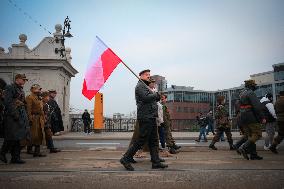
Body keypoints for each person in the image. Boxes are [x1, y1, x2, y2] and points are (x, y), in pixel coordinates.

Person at [120, 69, 168, 171]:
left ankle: (156, 162)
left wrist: (156, 96)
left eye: (149, 75)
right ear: (140, 76)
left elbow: (152, 98)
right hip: (145, 117)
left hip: (151, 116)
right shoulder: (140, 86)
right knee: (141, 140)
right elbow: (146, 98)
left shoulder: (145, 86)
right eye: (146, 75)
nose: (148, 76)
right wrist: (156, 95)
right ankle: (126, 158)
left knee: (154, 140)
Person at [0, 74, 29, 164]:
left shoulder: (20, 89)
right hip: (12, 116)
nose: (24, 81)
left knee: (18, 137)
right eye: (23, 79)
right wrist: (14, 114)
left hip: (20, 115)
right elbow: (8, 102)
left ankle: (15, 157)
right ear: (17, 79)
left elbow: (23, 103)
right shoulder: (10, 87)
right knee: (11, 137)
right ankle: (2, 153)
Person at [237, 80, 266, 160]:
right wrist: (262, 117)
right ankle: (244, 148)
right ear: (251, 86)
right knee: (257, 134)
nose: (255, 86)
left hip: (243, 117)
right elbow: (257, 107)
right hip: (251, 117)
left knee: (250, 135)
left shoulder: (242, 93)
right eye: (254, 85)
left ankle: (253, 154)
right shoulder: (251, 93)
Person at [26, 84, 46, 157]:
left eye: (39, 89)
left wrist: (44, 118)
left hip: (39, 118)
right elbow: (28, 109)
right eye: (37, 89)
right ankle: (29, 150)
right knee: (34, 136)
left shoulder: (38, 98)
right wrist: (30, 119)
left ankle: (37, 152)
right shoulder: (30, 97)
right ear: (33, 89)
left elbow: (41, 109)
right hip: (34, 118)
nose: (39, 90)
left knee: (39, 135)